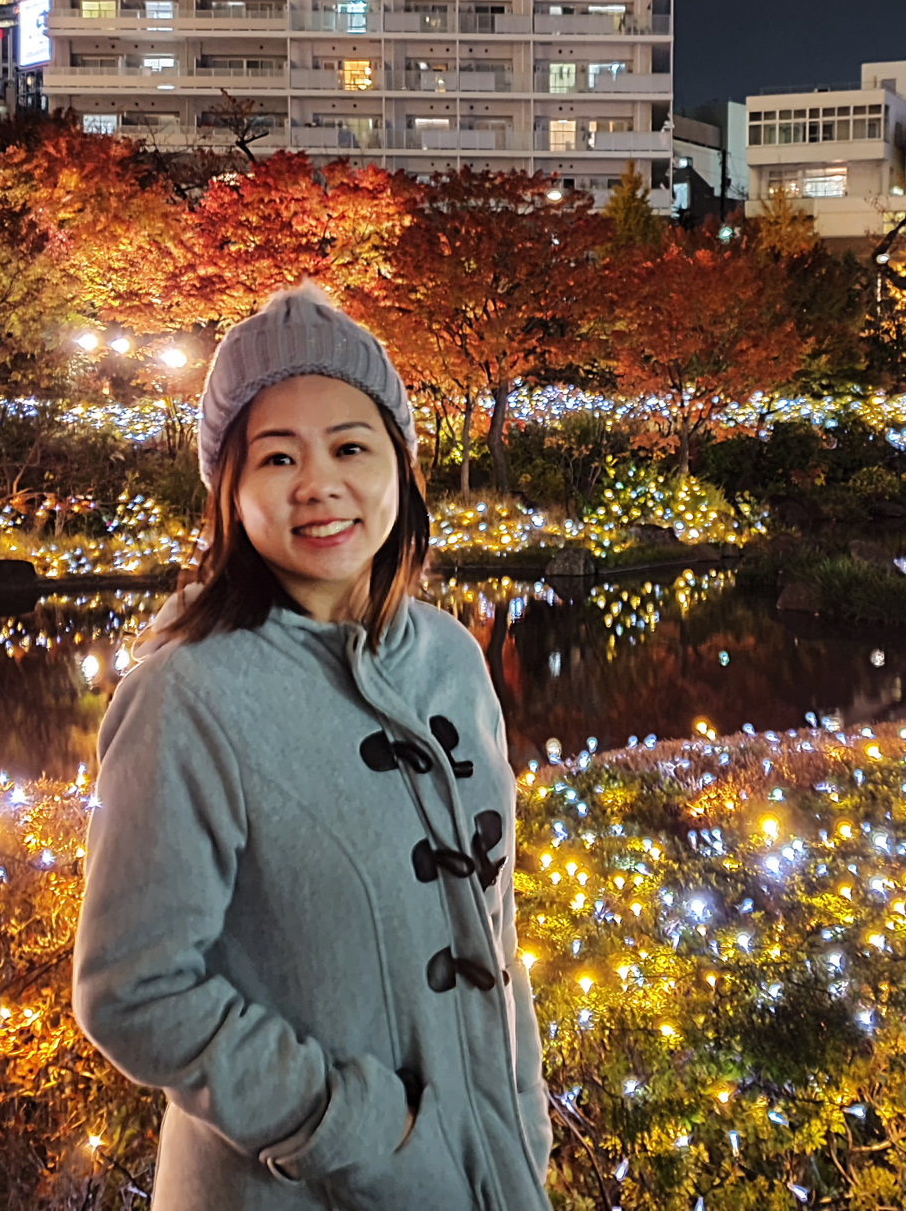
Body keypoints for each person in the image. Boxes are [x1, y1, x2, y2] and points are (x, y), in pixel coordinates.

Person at [72, 284, 553, 1211]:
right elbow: (135, 989)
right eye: (278, 457)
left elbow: (491, 928)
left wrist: (518, 1127)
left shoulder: (451, 658)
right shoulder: (187, 695)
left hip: (481, 1174)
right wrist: (360, 1130)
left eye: (350, 448)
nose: (319, 484)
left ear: (400, 471)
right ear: (231, 493)